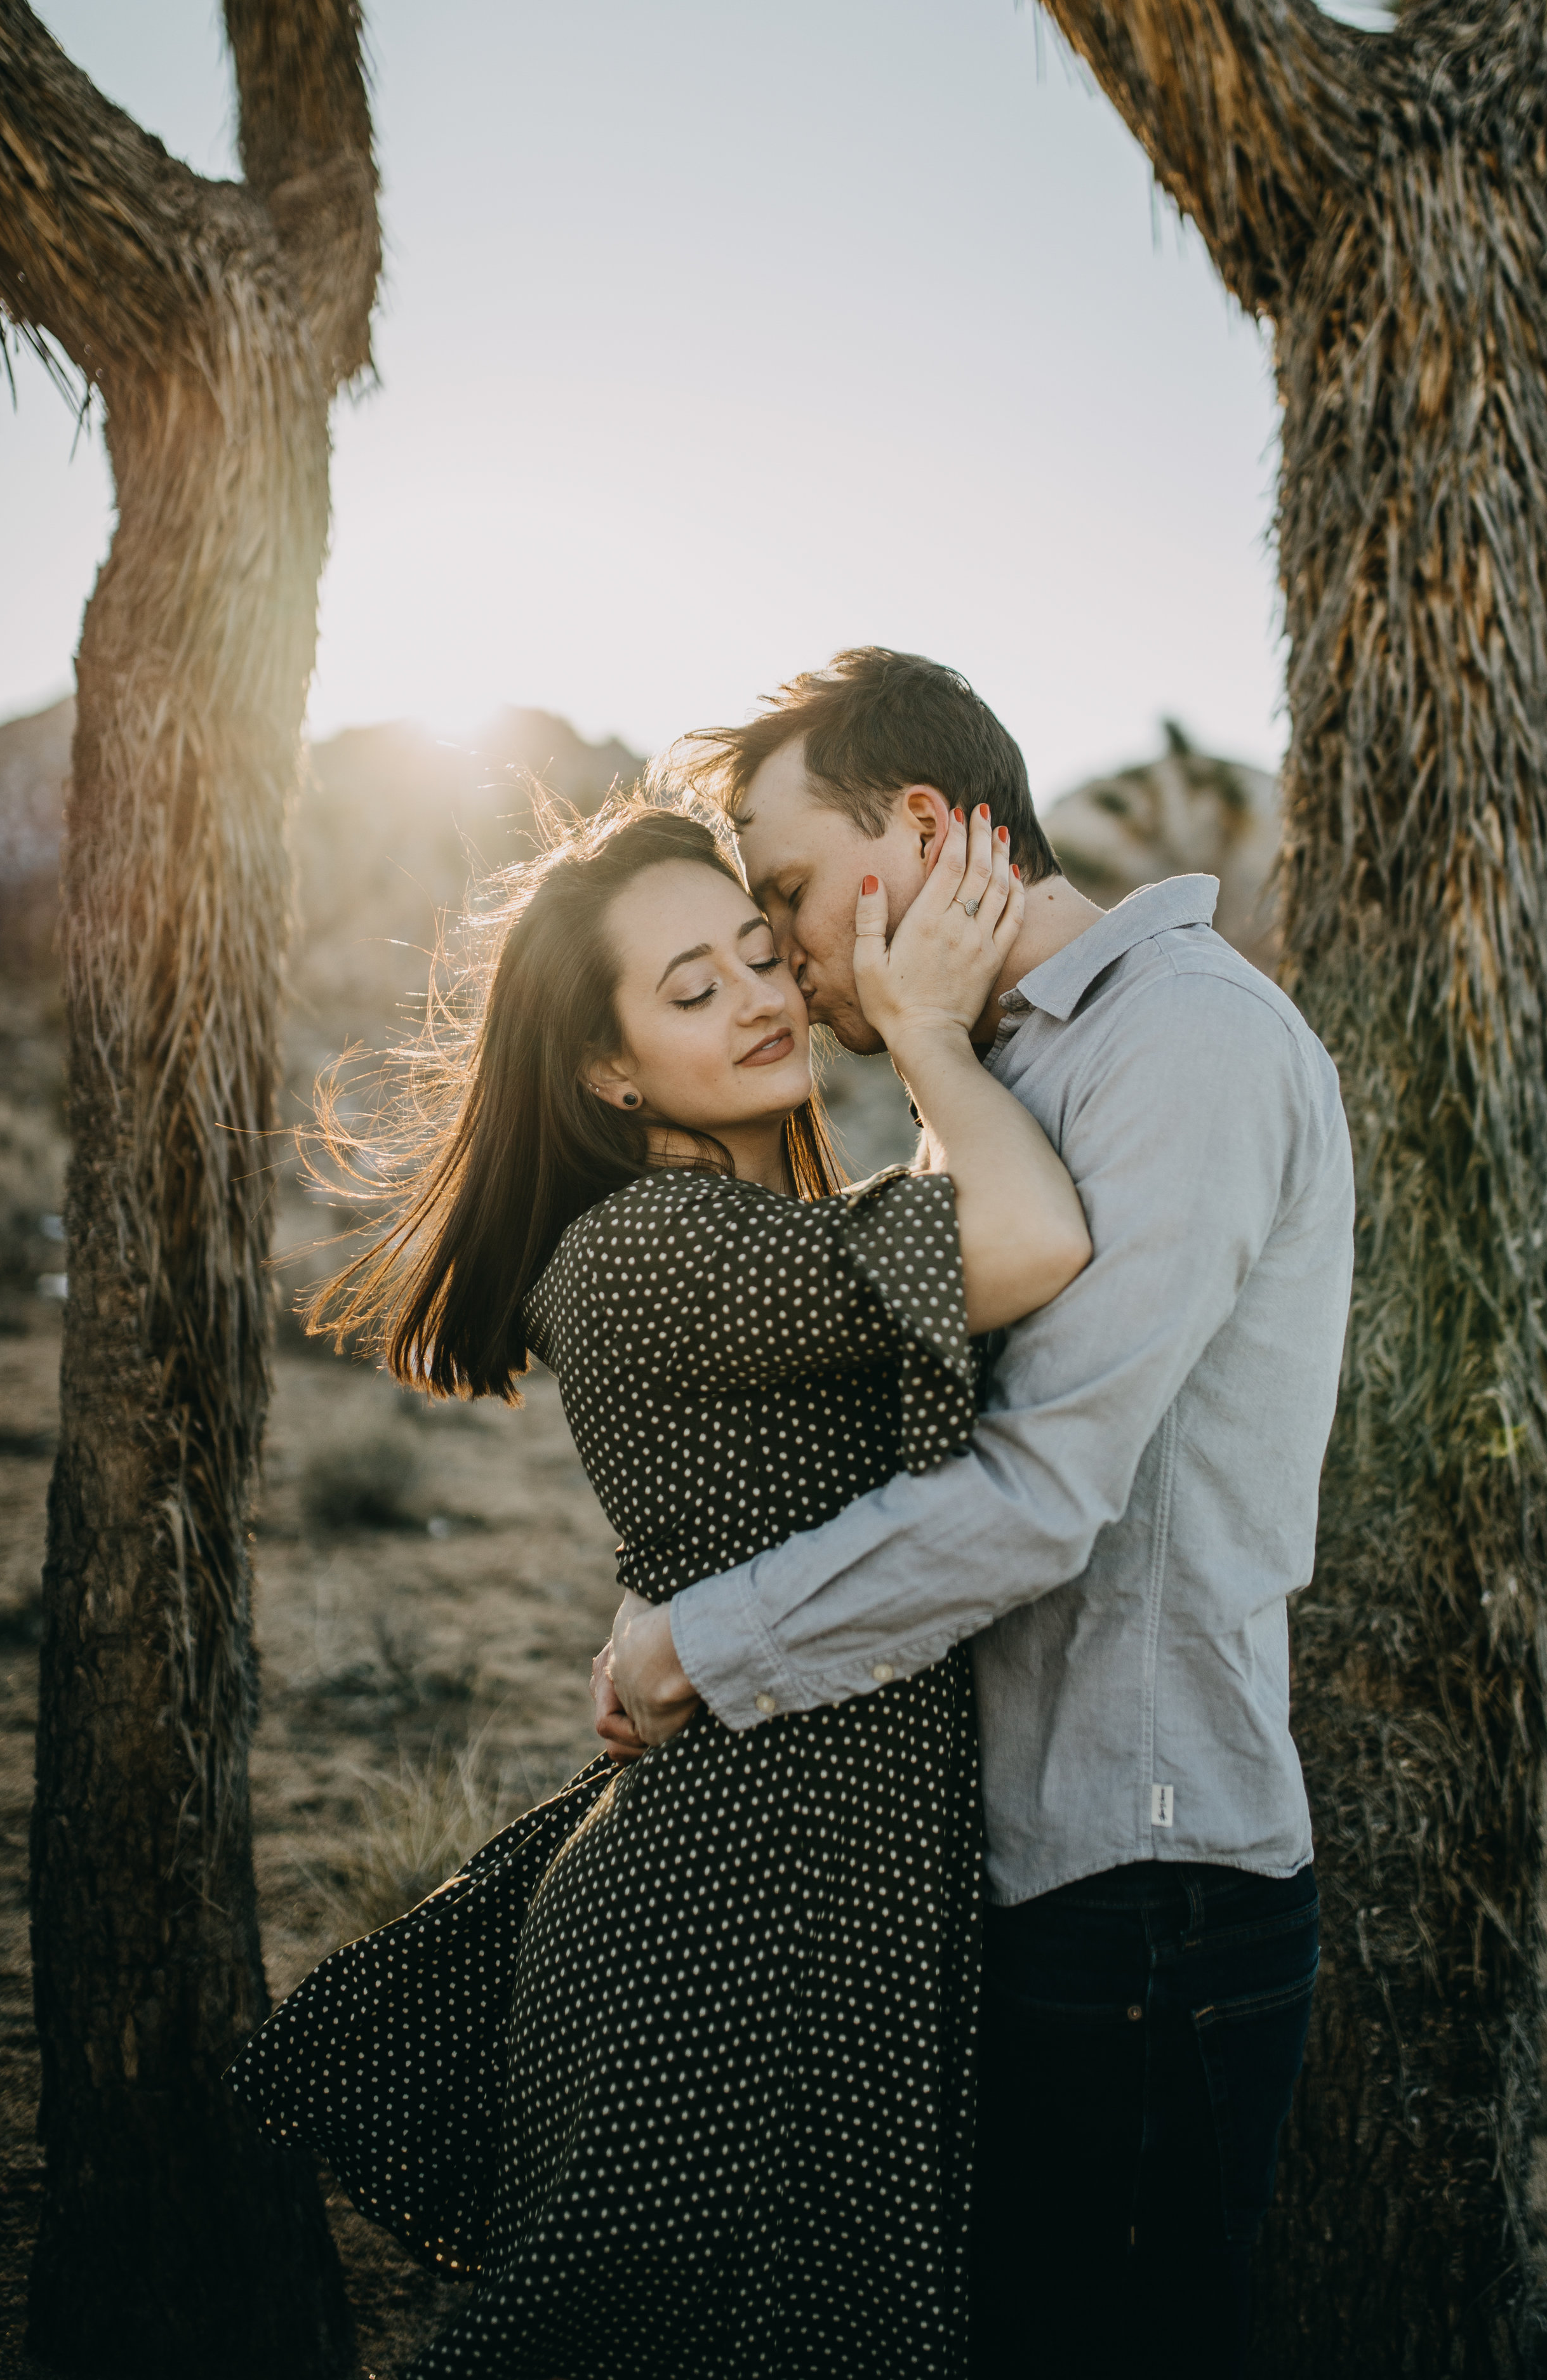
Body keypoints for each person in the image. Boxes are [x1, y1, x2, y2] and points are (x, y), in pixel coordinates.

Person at [225, 793, 1091, 2379]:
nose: (761, 999)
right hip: (734, 1925)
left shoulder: (765, 1234)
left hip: (819, 1886)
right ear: (607, 1070)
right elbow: (1028, 1239)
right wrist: (926, 1031)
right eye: (692, 990)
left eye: (763, 957)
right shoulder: (657, 1244)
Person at [606, 649, 1356, 2380]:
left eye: (786, 890)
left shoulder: (1184, 1042)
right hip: (1048, 1875)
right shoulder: (1006, 1068)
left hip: (1145, 1885)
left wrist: (701, 1650)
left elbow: (1039, 1493)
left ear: (930, 826)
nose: (778, 948)